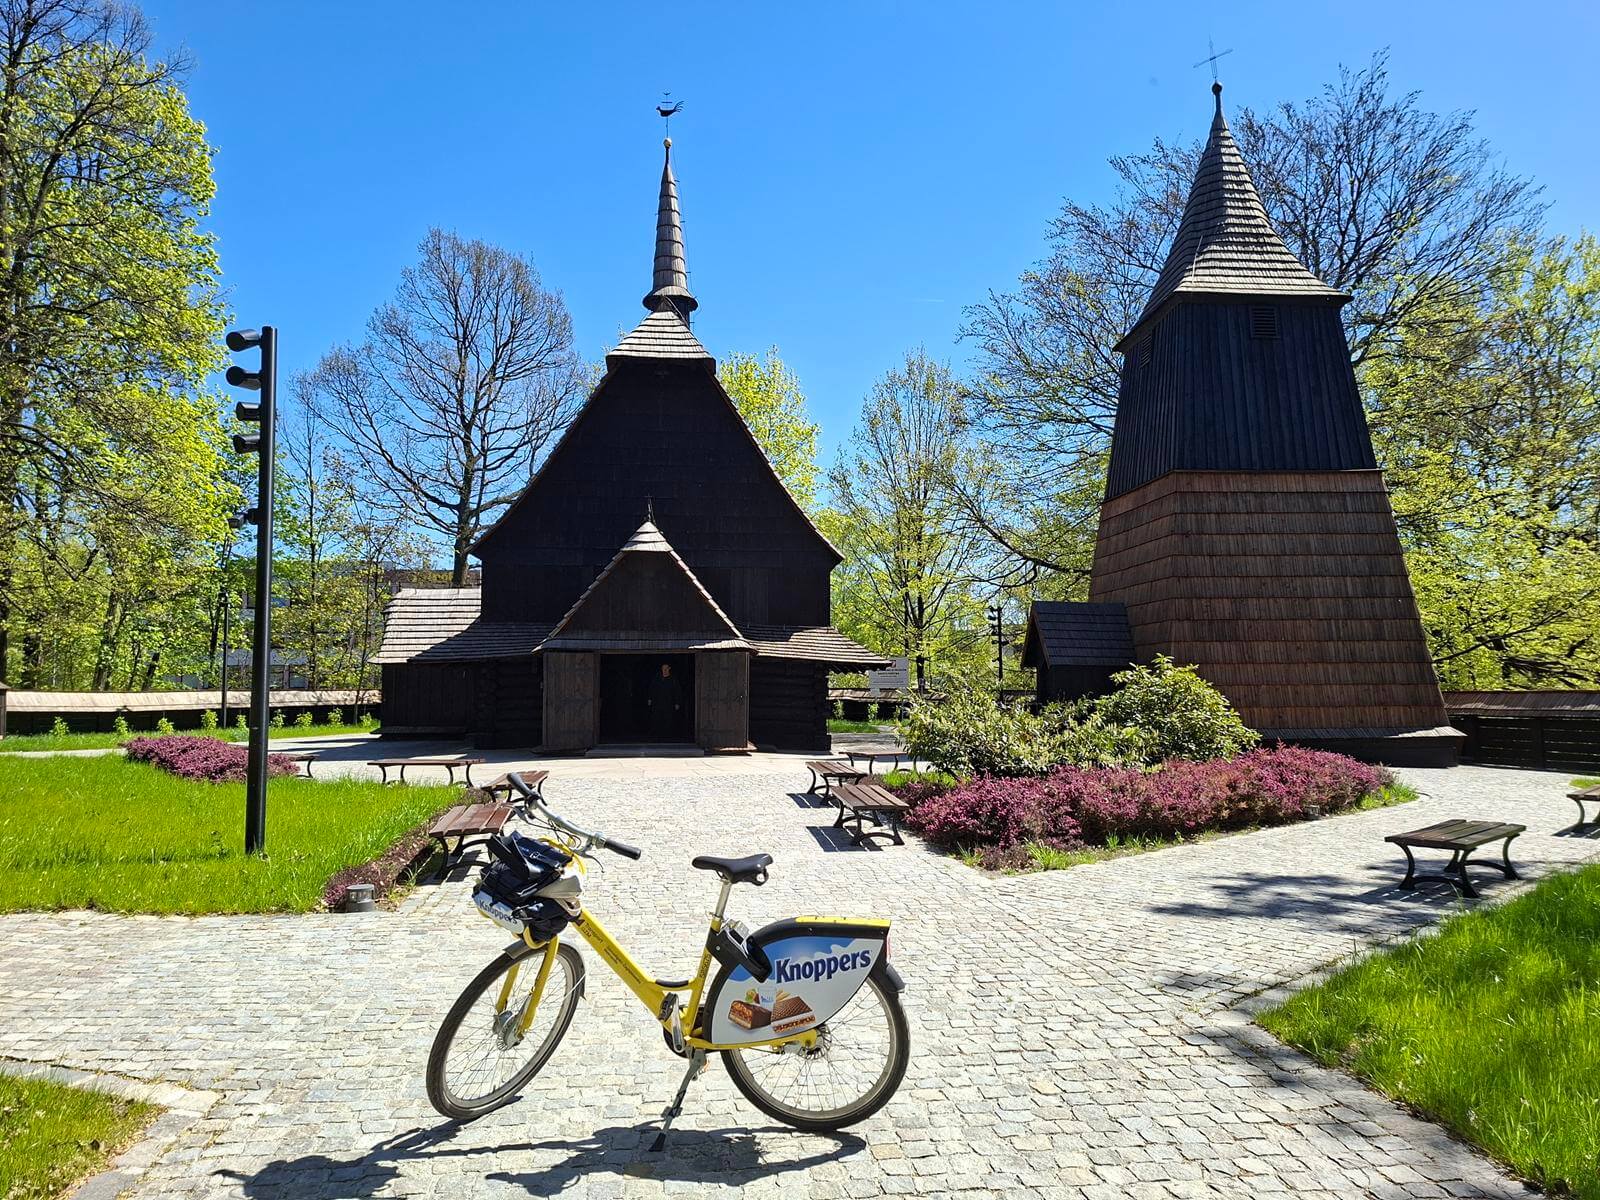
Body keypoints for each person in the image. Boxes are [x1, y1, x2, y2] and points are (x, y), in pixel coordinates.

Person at [646, 661, 683, 741]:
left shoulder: (673, 679)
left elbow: (677, 691)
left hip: (669, 703)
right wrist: (650, 699)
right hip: (657, 702)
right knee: (656, 718)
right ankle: (656, 736)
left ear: (669, 669)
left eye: (666, 668)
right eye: (663, 668)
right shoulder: (657, 678)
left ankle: (667, 736)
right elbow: (651, 689)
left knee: (668, 719)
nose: (665, 670)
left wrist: (677, 702)